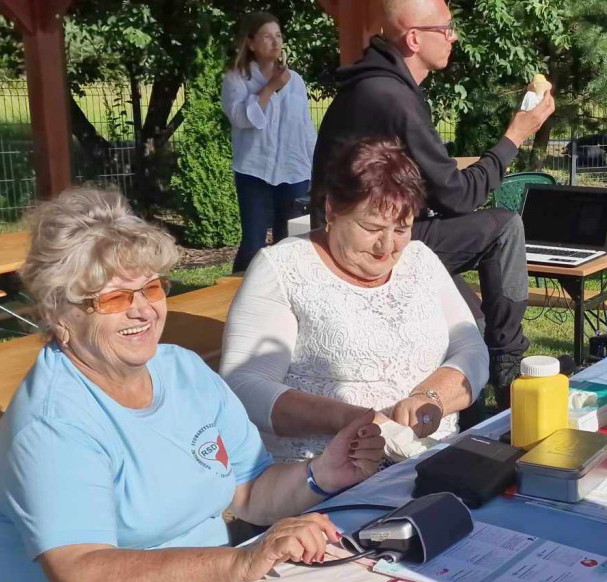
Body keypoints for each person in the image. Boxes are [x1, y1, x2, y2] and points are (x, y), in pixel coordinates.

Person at [0, 189, 384, 582]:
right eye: (116, 297)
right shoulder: (53, 423)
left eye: (153, 288)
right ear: (59, 316)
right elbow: (82, 571)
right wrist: (240, 564)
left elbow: (246, 490)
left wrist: (322, 474)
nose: (143, 310)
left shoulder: (183, 371)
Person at [311, 0, 555, 405]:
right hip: (371, 243)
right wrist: (515, 136)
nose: (453, 36)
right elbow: (459, 196)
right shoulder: (392, 97)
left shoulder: (378, 87)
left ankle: (470, 399)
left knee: (470, 320)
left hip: (379, 231)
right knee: (505, 227)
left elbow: (438, 187)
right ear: (413, 38)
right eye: (445, 28)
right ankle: (509, 369)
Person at [220, 137, 488, 462]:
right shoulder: (284, 269)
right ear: (332, 209)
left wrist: (431, 400)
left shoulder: (420, 260)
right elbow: (244, 385)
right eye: (370, 227)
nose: (387, 246)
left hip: (430, 466)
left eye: (402, 228)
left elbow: (471, 348)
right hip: (322, 482)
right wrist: (355, 422)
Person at [222, 11, 318, 273]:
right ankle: (237, 296)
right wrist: (270, 88)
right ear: (251, 43)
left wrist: (316, 168)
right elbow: (241, 119)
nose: (275, 43)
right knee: (253, 243)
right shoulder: (236, 79)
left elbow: (304, 128)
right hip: (254, 171)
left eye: (278, 36)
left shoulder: (295, 81)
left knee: (294, 241)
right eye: (267, 37)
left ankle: (287, 302)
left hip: (295, 172)